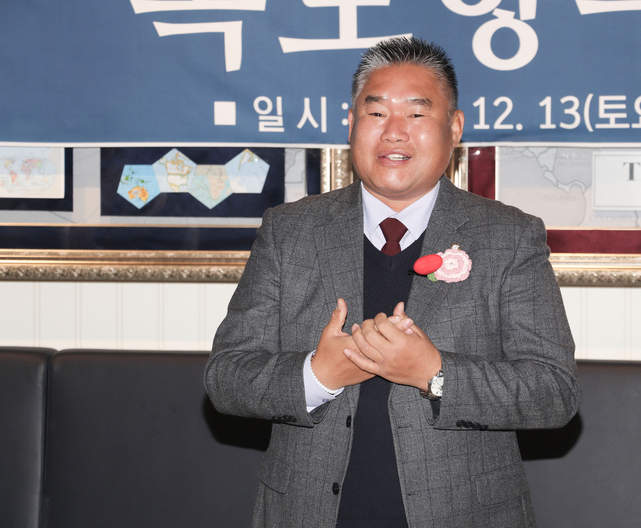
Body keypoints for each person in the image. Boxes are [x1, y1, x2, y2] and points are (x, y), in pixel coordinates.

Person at [205, 36, 580, 528]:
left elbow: (553, 392)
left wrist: (434, 373)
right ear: (351, 123)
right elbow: (226, 377)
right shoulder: (290, 230)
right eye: (377, 112)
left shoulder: (508, 236)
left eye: (417, 113)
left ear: (454, 128)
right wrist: (318, 375)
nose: (394, 132)